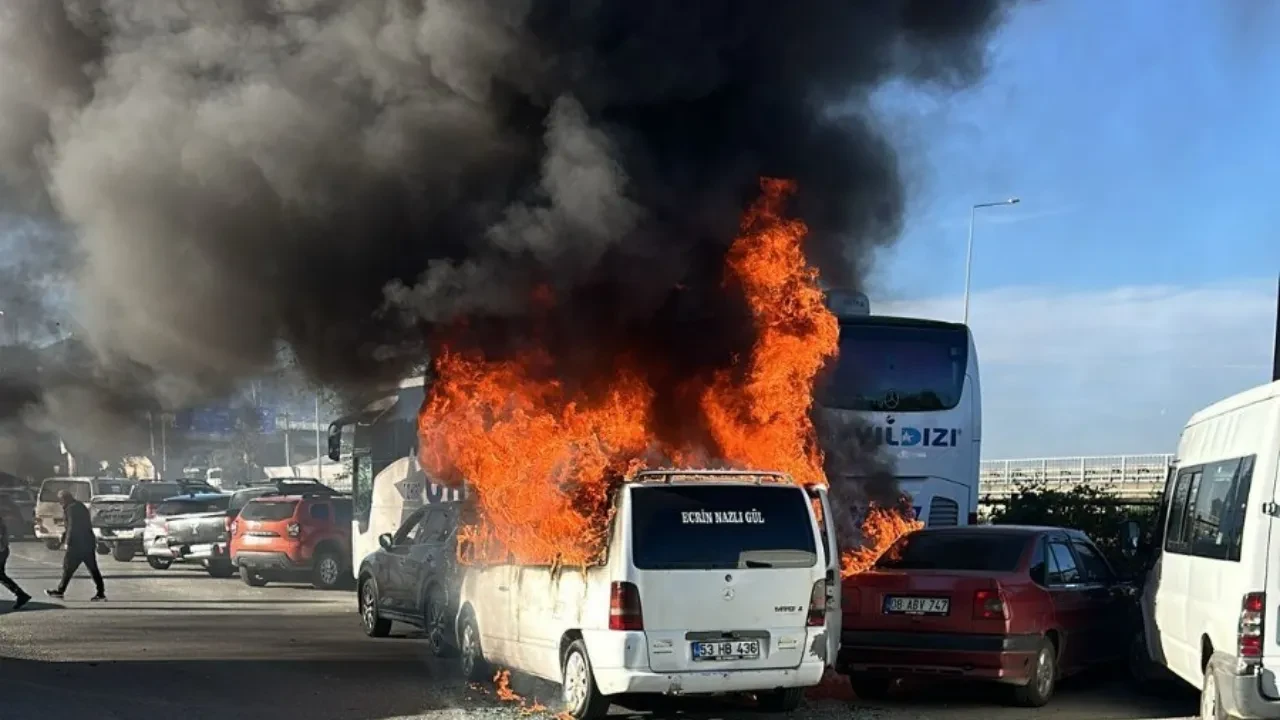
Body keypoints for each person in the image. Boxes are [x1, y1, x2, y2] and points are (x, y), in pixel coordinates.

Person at [45, 490, 105, 601]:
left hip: (77, 544)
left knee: (69, 567)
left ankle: (60, 591)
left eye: (60, 500)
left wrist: (67, 542)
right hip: (87, 543)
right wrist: (63, 539)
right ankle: (100, 593)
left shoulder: (72, 508)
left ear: (65, 499)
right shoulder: (78, 506)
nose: (60, 503)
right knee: (91, 569)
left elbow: (72, 526)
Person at [0, 496, 31, 609]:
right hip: (3, 550)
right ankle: (21, 595)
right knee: (1, 576)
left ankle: (21, 595)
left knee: (1, 576)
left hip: (1, 550)